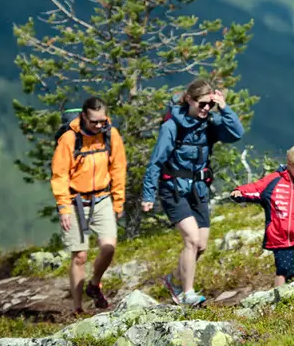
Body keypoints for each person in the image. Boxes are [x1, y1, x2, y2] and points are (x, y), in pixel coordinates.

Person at [141, 78, 245, 306]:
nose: (206, 108)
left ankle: (175, 279)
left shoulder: (210, 123)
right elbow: (156, 162)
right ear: (189, 99)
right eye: (202, 104)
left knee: (201, 245)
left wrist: (225, 108)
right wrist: (148, 194)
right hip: (174, 190)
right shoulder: (172, 126)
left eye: (210, 104)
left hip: (199, 190)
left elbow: (236, 134)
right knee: (191, 239)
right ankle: (186, 293)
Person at [50, 97, 127, 314]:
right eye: (94, 122)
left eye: (102, 121)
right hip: (75, 201)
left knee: (109, 247)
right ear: (83, 116)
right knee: (80, 255)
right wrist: (63, 208)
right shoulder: (69, 140)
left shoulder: (110, 135)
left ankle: (94, 284)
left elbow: (118, 169)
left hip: (102, 198)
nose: (99, 125)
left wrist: (118, 202)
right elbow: (59, 175)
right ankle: (77, 307)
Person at [231, 143, 294, 287]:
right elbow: (256, 188)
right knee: (282, 270)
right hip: (278, 235)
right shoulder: (274, 180)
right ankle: (279, 298)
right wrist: (240, 192)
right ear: (290, 164)